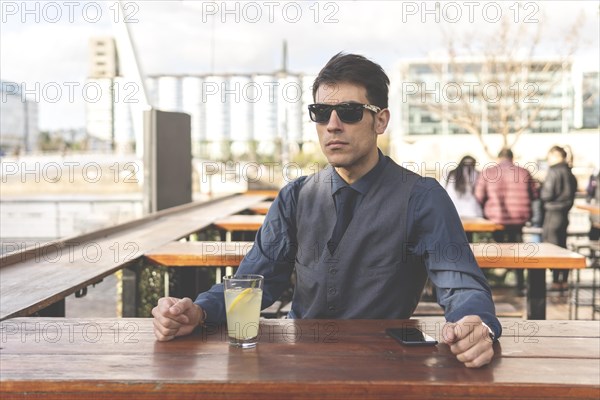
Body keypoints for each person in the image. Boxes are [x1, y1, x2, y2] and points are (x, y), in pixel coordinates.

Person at [152, 53, 500, 368]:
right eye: (320, 113)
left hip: (385, 367)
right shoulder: (294, 197)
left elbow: (460, 285)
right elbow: (254, 281)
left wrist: (476, 323)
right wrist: (197, 311)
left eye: (349, 112)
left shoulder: (422, 198)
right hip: (298, 361)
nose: (332, 124)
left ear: (380, 121)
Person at [474, 148, 537, 294]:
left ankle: (487, 285)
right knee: (519, 253)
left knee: (490, 252)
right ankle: (520, 285)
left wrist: (487, 210)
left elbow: (478, 196)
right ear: (512, 158)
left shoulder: (488, 172)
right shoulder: (523, 172)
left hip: (495, 220)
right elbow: (534, 194)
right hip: (518, 220)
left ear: (498, 158)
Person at [541, 146, 578, 291]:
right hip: (564, 214)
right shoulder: (569, 172)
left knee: (553, 248)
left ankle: (556, 280)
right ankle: (564, 280)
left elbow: (546, 194)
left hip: (552, 214)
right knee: (563, 246)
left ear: (554, 156)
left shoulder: (553, 171)